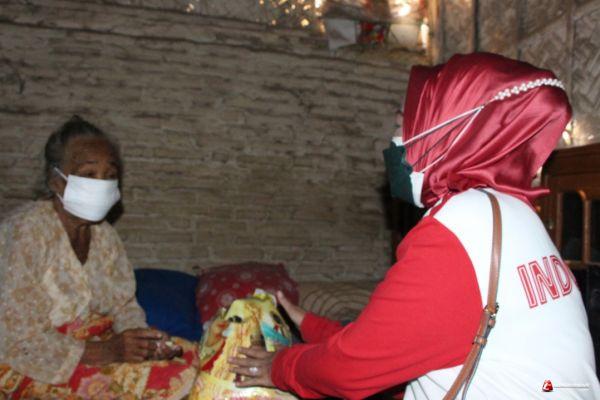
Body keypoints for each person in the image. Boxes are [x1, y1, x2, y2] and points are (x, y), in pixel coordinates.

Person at [230, 53, 600, 399]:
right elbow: (405, 341)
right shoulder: (514, 212)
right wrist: (310, 324)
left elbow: (351, 370)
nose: (393, 144)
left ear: (443, 130)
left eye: (400, 125)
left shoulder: (456, 226)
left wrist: (278, 367)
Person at [0, 116, 198, 399]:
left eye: (109, 175)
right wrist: (107, 351)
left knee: (191, 358)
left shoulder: (104, 236)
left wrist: (142, 343)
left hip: (92, 345)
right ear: (56, 181)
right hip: (31, 361)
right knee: (160, 383)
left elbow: (123, 305)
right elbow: (16, 337)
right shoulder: (26, 231)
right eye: (88, 174)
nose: (101, 184)